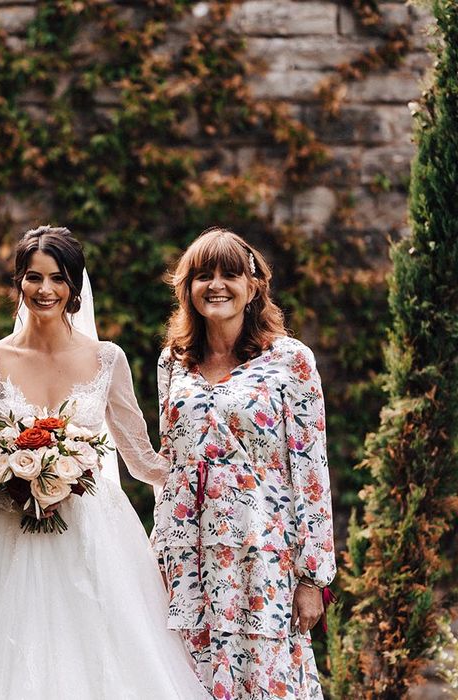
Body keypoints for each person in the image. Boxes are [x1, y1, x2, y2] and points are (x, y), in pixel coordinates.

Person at [0, 226, 205, 699]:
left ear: (74, 287)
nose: (45, 290)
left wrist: (206, 466)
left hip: (95, 535)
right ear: (19, 283)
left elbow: (142, 460)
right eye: (34, 278)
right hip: (6, 537)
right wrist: (8, 487)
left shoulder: (108, 359)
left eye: (58, 279)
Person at [153, 227, 336, 699]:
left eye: (230, 274)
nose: (216, 285)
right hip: (188, 557)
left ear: (253, 286)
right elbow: (170, 459)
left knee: (267, 680)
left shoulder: (291, 360)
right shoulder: (172, 361)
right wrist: (159, 548)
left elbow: (311, 468)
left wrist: (312, 577)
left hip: (264, 554)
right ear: (186, 288)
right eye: (203, 275)